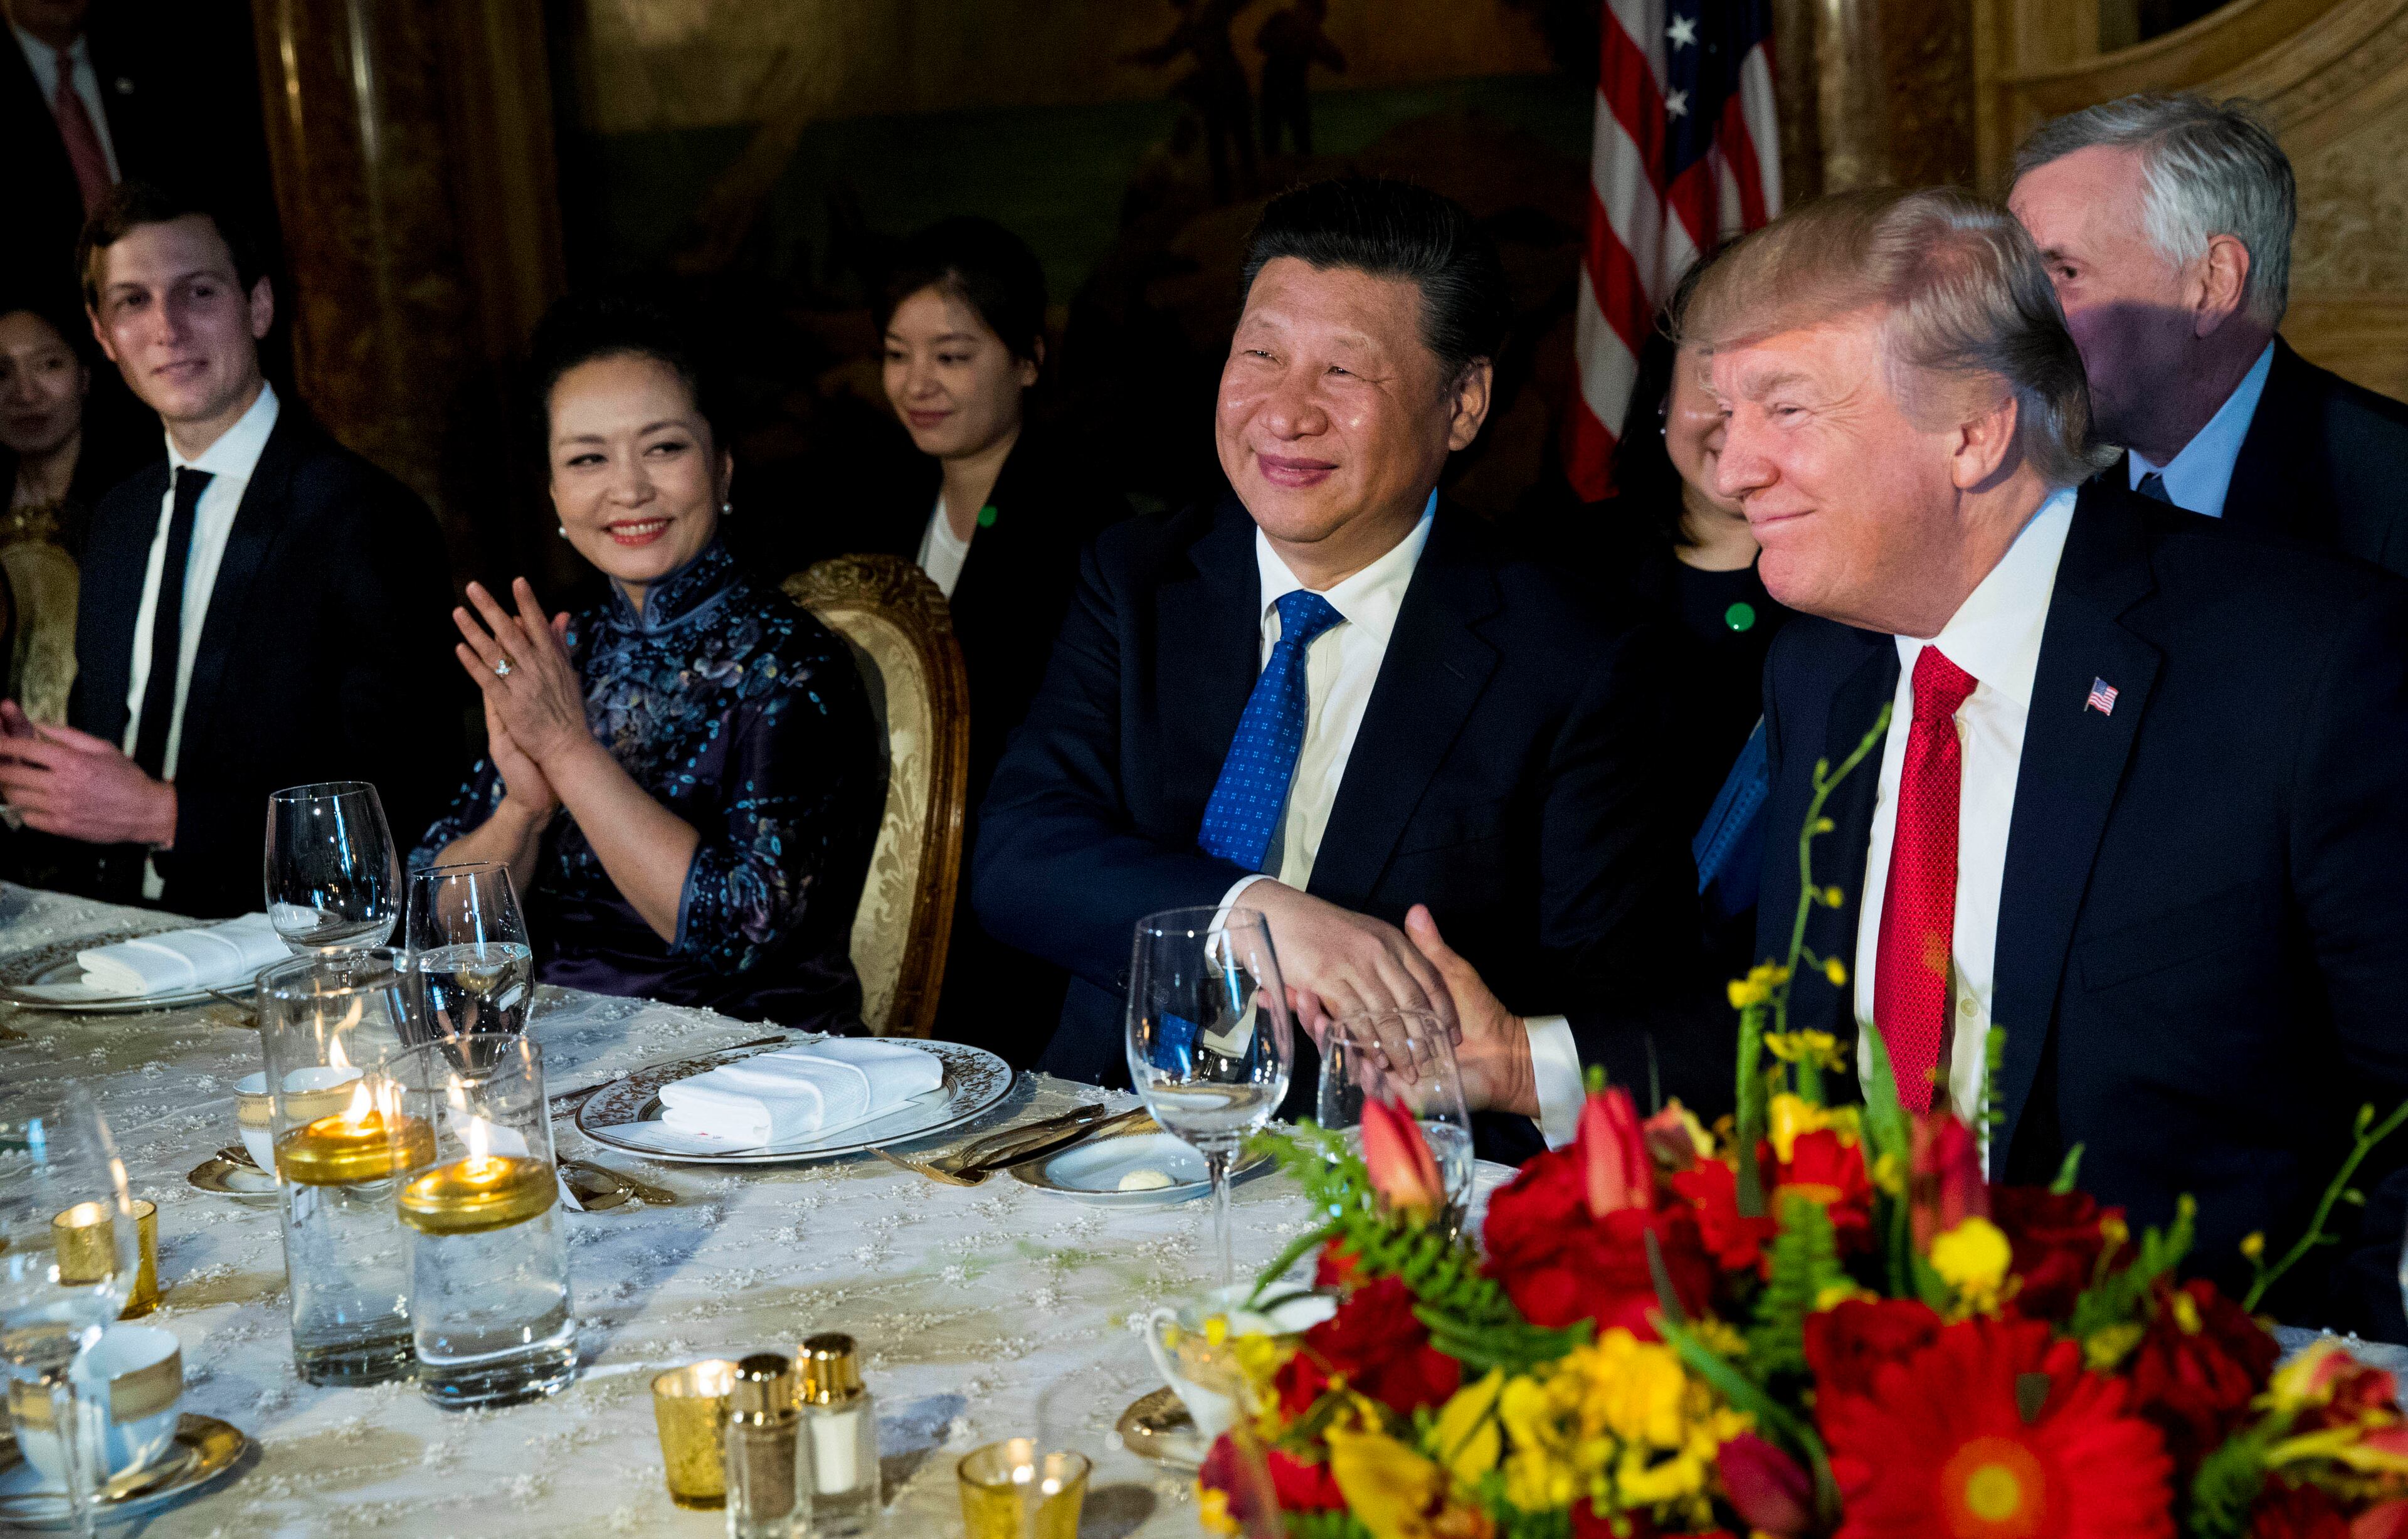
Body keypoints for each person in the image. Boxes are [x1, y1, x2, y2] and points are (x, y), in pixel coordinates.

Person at [1667, 185, 2405, 1336]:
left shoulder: (2310, 666)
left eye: (1788, 408)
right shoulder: (1820, 670)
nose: (1732, 471)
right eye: (1725, 410)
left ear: (1974, 430)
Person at [974, 177, 1706, 1154]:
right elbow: (1020, 851)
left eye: (1343, 375)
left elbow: (1632, 1010)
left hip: (1377, 1174)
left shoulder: (1574, 659)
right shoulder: (1139, 576)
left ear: (1464, 404)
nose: (1285, 413)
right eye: (1262, 354)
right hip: (1113, 1130)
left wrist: (1518, 1059)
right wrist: (1259, 921)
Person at [414, 293, 881, 1030]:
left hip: (744, 1067)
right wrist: (523, 812)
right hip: (560, 1043)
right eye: (588, 458)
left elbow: (738, 932)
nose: (629, 488)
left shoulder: (788, 665)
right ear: (557, 495)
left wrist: (568, 750)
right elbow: (430, 924)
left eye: (664, 448)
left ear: (723, 469)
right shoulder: (564, 649)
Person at [0, 182, 460, 918]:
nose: (167, 329)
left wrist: (162, 816)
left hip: (293, 954)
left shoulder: (367, 517)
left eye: (198, 292)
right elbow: (104, 759)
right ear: (101, 332)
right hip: (115, 943)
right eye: (133, 302)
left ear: (259, 306)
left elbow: (405, 799)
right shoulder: (116, 518)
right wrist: (38, 771)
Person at [850, 216, 1128, 1060]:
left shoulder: (1088, 527)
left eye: (953, 354)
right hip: (895, 886)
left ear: (1029, 360)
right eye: (899, 353)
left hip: (1018, 901)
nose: (917, 383)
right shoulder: (873, 498)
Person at [2010, 93, 2408, 571]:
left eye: (2066, 274)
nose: (2017, 320)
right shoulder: (2026, 485)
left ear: (2213, 283)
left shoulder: (2391, 496)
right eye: (2017, 282)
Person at [1585, 255, 1792, 954]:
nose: (1740, 416)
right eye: (1713, 373)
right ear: (1663, 388)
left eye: (1778, 381)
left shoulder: (1861, 606)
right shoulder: (1554, 566)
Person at [1256, 0, 1346, 157]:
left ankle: (1279, 167)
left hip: (1281, 84)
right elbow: (1338, 63)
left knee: (1281, 136)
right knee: (1289, 136)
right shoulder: (1301, 29)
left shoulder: (1293, 25)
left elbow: (1337, 62)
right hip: (1286, 85)